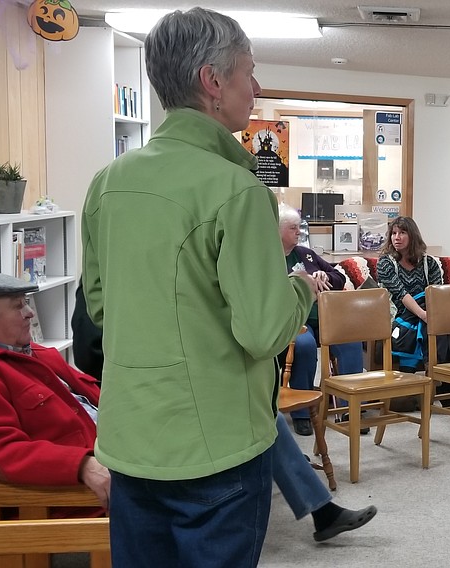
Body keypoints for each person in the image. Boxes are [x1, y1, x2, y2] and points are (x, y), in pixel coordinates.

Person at [80, 8, 318, 567]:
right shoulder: (238, 190)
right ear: (213, 83)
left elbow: (99, 306)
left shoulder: (107, 183)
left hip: (130, 439)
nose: (255, 87)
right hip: (216, 442)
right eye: (247, 72)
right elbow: (262, 332)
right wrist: (302, 289)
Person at [69, 305, 378, 541]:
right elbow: (90, 353)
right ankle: (320, 511)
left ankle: (321, 511)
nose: (30, 313)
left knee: (261, 413)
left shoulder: (41, 354)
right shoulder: (108, 291)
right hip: (130, 401)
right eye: (19, 306)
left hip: (158, 383)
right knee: (256, 415)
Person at [0, 273, 110, 515]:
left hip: (109, 470)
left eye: (26, 302)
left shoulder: (29, 353)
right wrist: (83, 465)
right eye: (18, 306)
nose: (30, 313)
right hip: (71, 504)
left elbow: (92, 398)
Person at [277, 204, 366, 436]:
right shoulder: (269, 258)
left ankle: (349, 409)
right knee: (305, 347)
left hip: (325, 317)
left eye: (299, 228)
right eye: (292, 228)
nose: (298, 232)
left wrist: (325, 274)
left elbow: (340, 277)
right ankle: (302, 412)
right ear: (277, 231)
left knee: (350, 340)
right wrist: (297, 280)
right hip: (294, 320)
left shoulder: (307, 254)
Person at [375, 216, 450, 404]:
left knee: (429, 314)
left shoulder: (429, 263)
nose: (397, 237)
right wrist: (424, 315)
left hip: (428, 314)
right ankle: (442, 381)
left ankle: (415, 385)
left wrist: (429, 314)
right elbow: (401, 294)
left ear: (412, 236)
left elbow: (437, 294)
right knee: (431, 323)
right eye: (394, 233)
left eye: (402, 233)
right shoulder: (385, 263)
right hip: (398, 317)